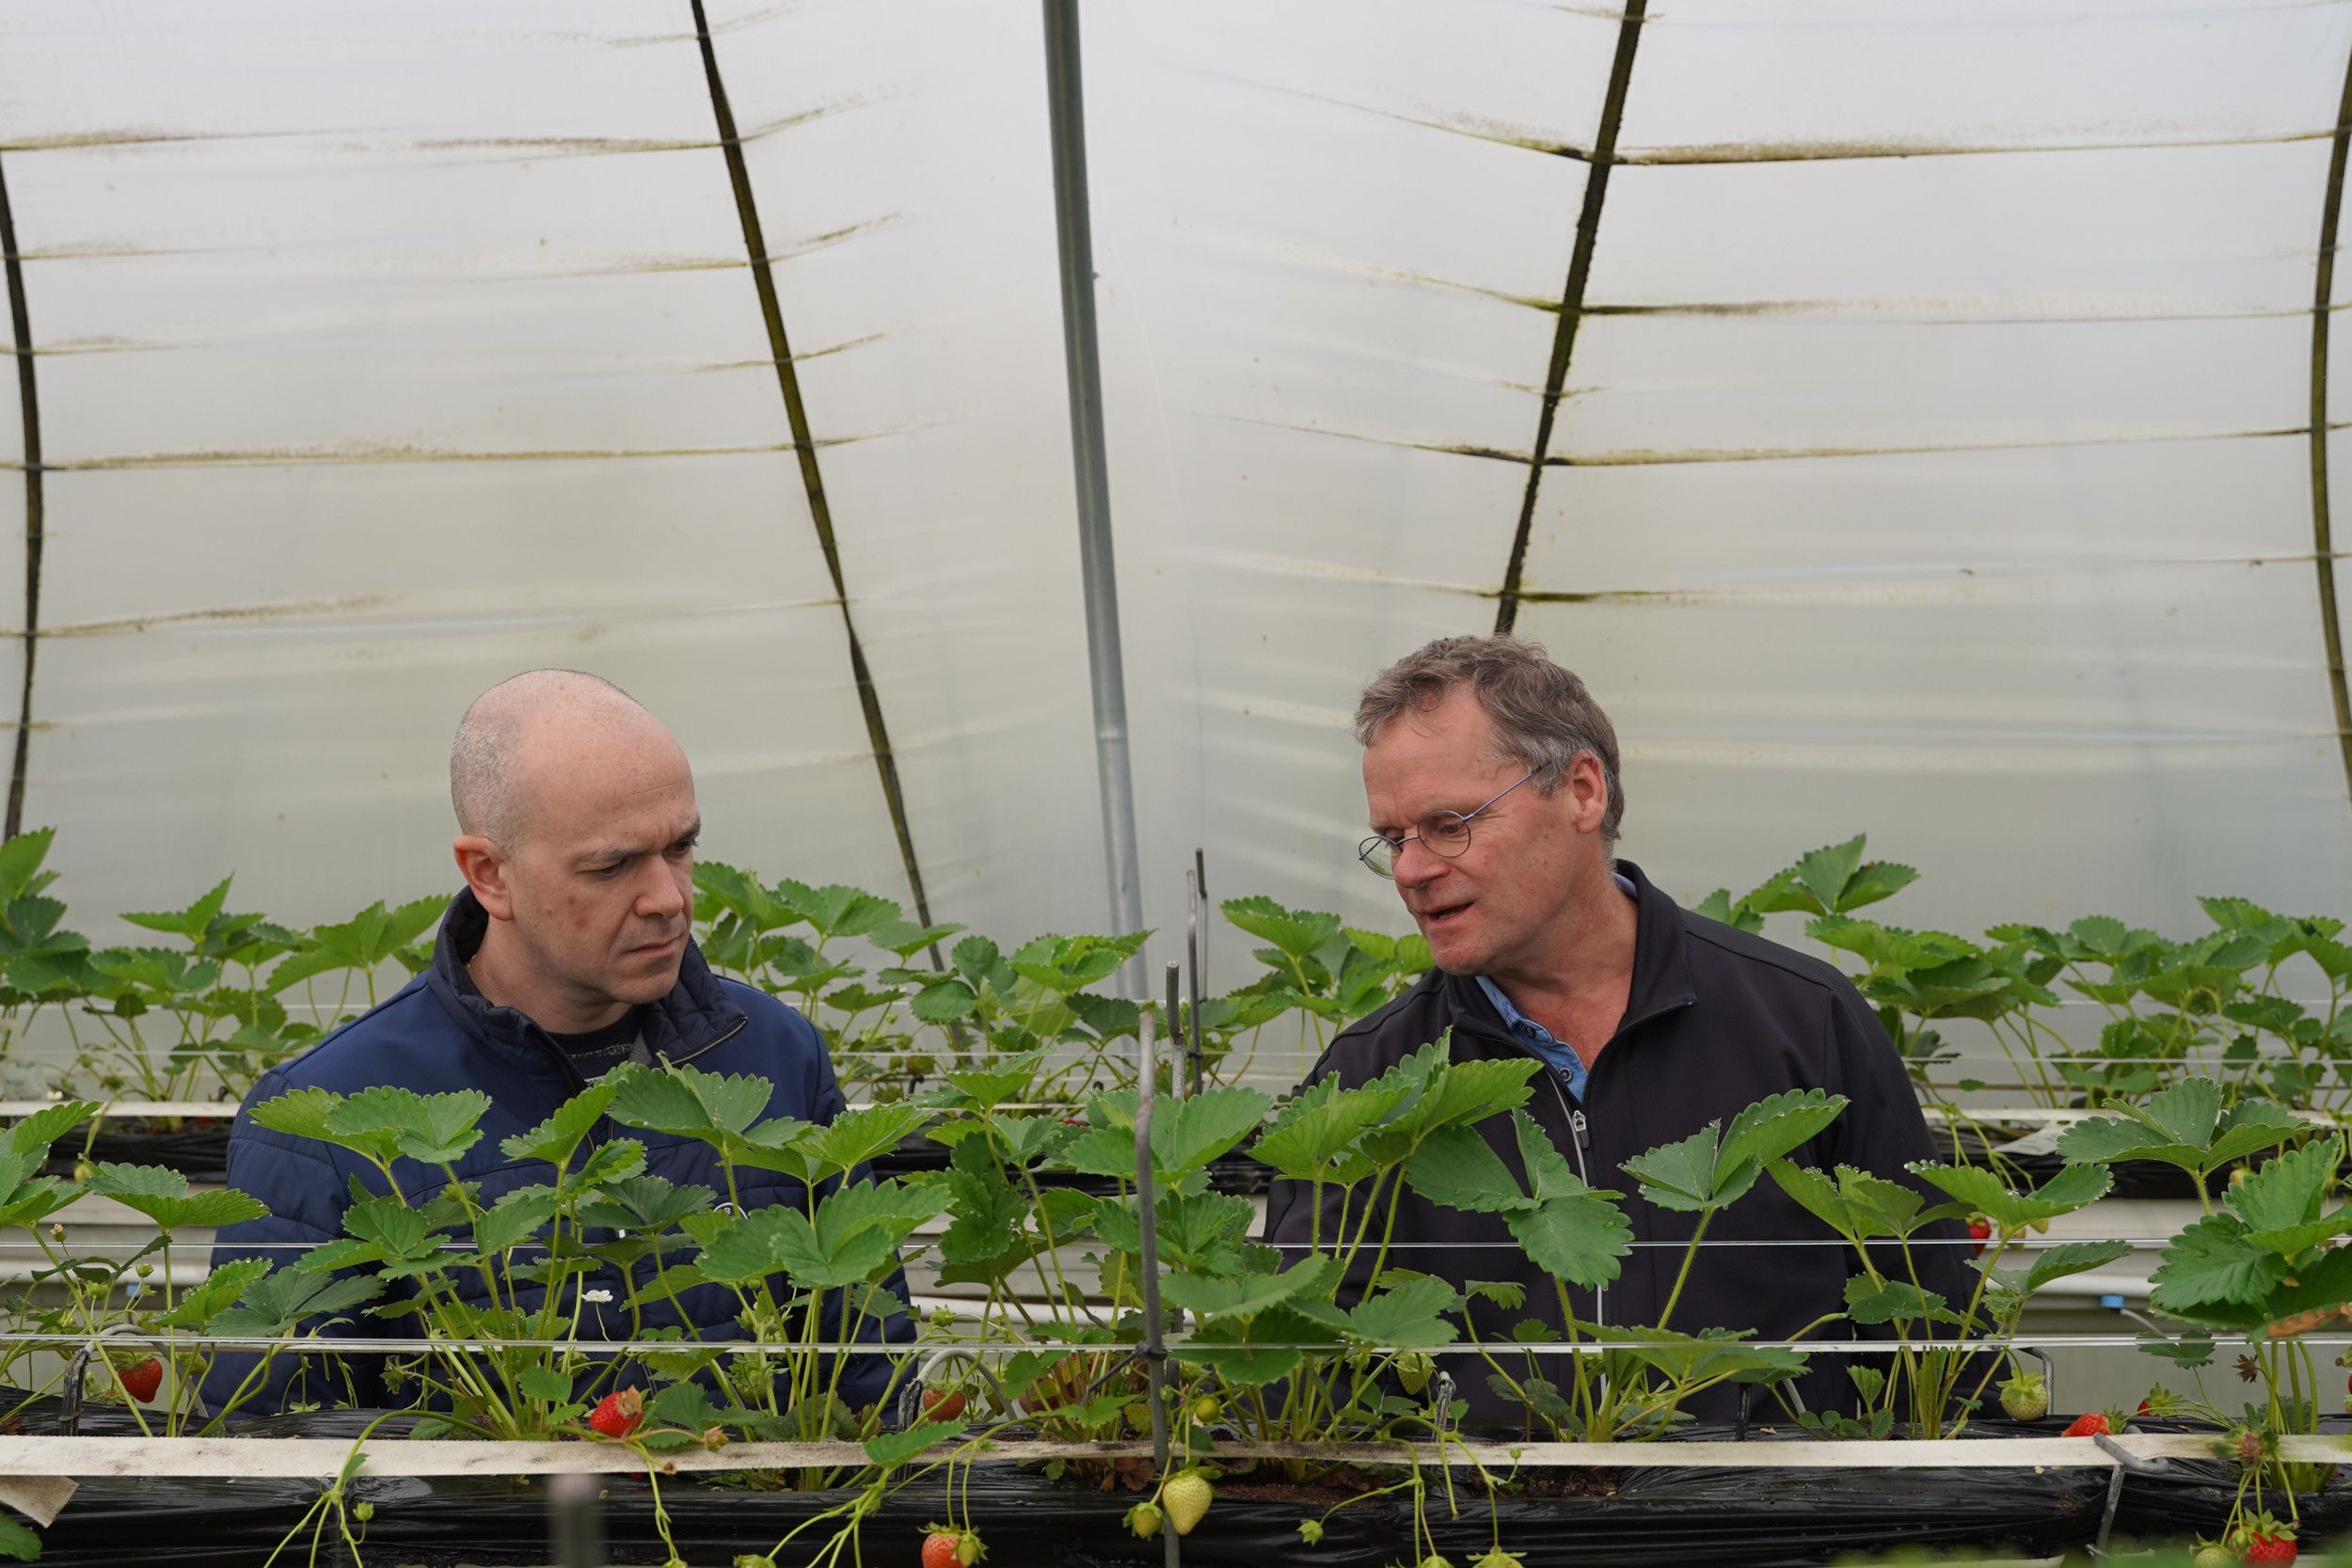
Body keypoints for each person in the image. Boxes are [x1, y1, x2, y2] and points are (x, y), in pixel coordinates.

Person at [1263, 635, 1968, 1423]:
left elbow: (1934, 1324)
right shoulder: (1370, 1080)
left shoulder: (1803, 1020)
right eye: (1393, 838)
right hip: (1491, 1534)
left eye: (1449, 823)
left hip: (1776, 1528)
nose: (1411, 869)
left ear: (1582, 792)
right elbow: (1299, 1382)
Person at [202, 670, 912, 1415]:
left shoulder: (774, 1053)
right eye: (610, 865)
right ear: (490, 874)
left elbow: (874, 1383)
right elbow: (271, 1444)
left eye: (680, 847)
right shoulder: (323, 1119)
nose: (669, 898)